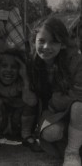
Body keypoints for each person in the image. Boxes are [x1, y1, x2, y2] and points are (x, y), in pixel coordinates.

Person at [30, 17, 82, 166]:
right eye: (41, 41)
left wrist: (55, 101)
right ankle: (75, 140)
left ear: (63, 44)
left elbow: (79, 93)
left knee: (78, 107)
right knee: (51, 133)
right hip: (54, 114)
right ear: (34, 40)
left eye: (53, 42)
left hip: (75, 110)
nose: (46, 47)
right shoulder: (32, 62)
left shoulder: (76, 60)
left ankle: (72, 152)